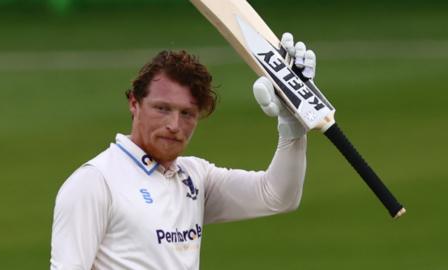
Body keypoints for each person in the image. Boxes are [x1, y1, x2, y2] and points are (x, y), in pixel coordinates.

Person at [50, 33, 316, 270]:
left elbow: (277, 196)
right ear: (134, 103)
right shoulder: (96, 182)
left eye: (187, 113)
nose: (174, 126)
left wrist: (292, 127)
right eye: (162, 108)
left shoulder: (195, 177)